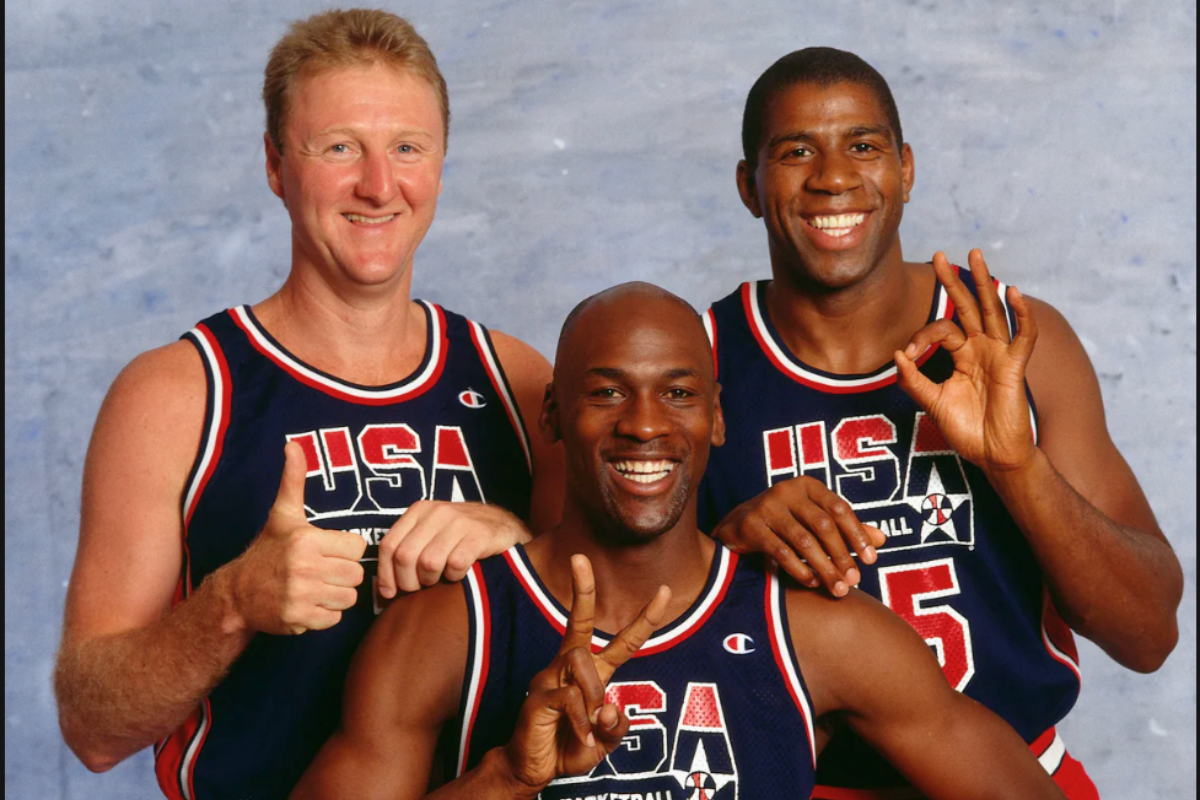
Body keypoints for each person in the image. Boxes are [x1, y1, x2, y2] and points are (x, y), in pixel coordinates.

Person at [288, 282, 1067, 800]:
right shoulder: (444, 632)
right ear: (553, 414)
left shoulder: (820, 633)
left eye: (679, 393)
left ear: (716, 419)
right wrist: (505, 779)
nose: (645, 424)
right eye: (606, 392)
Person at [53, 10, 563, 800]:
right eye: (339, 148)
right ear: (275, 165)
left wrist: (519, 546)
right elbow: (91, 726)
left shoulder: (518, 379)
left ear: (440, 164)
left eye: (407, 148)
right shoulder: (177, 394)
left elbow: (617, 633)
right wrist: (231, 604)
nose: (378, 185)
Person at [698, 47, 1183, 799]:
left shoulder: (1013, 339)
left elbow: (1147, 635)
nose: (833, 177)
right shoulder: (690, 368)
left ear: (906, 169)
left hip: (1020, 777)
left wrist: (1017, 468)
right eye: (796, 152)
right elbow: (597, 647)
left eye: (864, 146)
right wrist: (721, 555)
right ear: (748, 187)